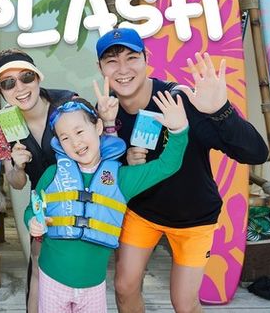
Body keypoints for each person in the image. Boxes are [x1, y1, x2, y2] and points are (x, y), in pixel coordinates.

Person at [95, 28, 269, 313]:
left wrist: (221, 110)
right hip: (142, 213)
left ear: (147, 58)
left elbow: (256, 153)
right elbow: (102, 172)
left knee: (185, 304)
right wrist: (121, 155)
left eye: (131, 57)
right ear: (100, 67)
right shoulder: (106, 111)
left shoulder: (182, 100)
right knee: (124, 288)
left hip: (194, 218)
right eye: (112, 61)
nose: (123, 69)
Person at [26, 96, 189, 312]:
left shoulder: (121, 179)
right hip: (52, 279)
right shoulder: (51, 174)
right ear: (59, 144)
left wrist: (179, 130)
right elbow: (32, 208)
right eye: (65, 138)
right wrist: (32, 221)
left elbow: (167, 166)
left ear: (98, 127)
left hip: (93, 286)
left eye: (79, 131)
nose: (75, 142)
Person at [0, 49, 76, 313]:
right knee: (38, 273)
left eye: (26, 77)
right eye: (8, 83)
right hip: (42, 210)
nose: (19, 87)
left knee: (77, 279)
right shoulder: (6, 127)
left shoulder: (68, 105)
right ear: (1, 91)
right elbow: (16, 182)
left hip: (79, 205)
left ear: (38, 77)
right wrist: (18, 165)